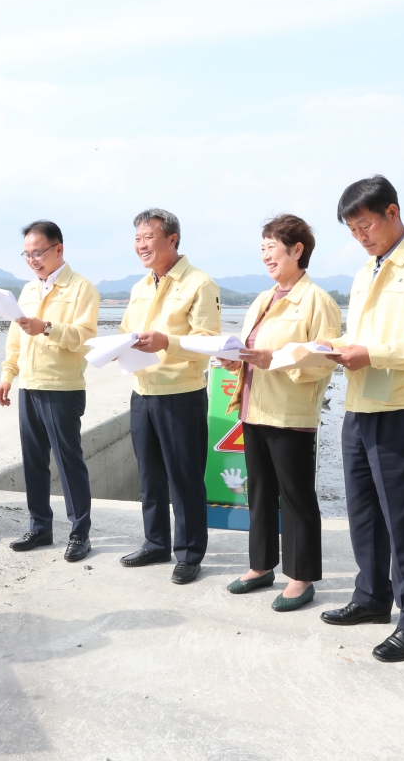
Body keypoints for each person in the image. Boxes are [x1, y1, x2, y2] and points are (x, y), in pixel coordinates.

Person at [319, 176, 404, 662]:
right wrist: (334, 349)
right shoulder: (364, 272)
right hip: (360, 405)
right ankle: (372, 597)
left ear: (392, 212)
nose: (360, 236)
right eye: (353, 230)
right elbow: (362, 336)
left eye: (366, 225)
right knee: (363, 511)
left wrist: (372, 354)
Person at [219, 214, 340, 611]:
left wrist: (275, 359)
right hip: (254, 409)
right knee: (259, 492)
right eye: (263, 248)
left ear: (297, 250)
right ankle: (261, 565)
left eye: (272, 246)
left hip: (290, 414)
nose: (265, 254)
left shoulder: (317, 301)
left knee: (296, 497)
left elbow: (326, 359)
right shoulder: (263, 297)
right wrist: (238, 361)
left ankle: (301, 576)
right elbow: (253, 348)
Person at [118, 208, 221, 585]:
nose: (141, 245)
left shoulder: (199, 283)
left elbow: (209, 341)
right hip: (142, 392)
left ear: (172, 239)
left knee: (185, 478)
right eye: (137, 239)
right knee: (150, 476)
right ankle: (155, 541)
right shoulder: (140, 286)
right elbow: (130, 331)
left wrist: (168, 342)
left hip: (181, 395)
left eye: (148, 237)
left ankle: (190, 553)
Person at [0, 221, 100, 561]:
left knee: (69, 462)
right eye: (27, 254)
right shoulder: (27, 291)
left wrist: (48, 328)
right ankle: (40, 527)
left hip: (62, 387)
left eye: (38, 252)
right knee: (33, 461)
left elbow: (85, 336)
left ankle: (80, 534)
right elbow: (15, 338)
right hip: (30, 386)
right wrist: (7, 374)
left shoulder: (82, 288)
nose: (32, 260)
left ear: (59, 249)